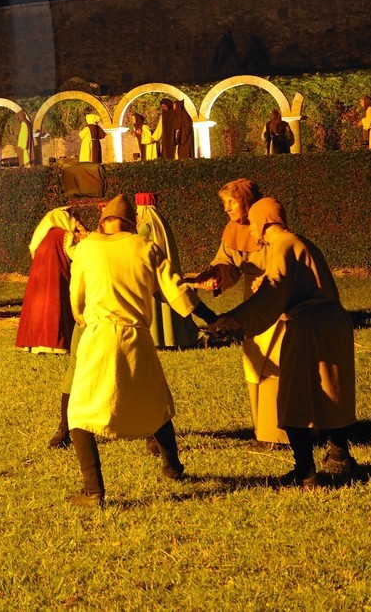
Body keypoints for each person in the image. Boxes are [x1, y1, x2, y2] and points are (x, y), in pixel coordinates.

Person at [64, 195, 218, 506]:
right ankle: (173, 468)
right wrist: (213, 319)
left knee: (80, 412)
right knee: (155, 404)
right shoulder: (145, 247)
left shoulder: (86, 248)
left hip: (98, 337)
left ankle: (93, 491)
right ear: (132, 223)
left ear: (103, 222)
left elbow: (76, 299)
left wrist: (82, 314)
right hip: (137, 337)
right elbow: (176, 292)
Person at [206, 199, 357, 487]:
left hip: (309, 326)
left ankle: (305, 473)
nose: (250, 232)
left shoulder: (282, 245)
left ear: (263, 221)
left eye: (252, 224)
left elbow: (272, 294)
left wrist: (232, 321)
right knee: (328, 391)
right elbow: (287, 284)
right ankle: (340, 457)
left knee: (294, 399)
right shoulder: (301, 242)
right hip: (333, 323)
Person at [191, 179, 288, 447]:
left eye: (231, 202)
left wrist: (269, 278)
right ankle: (263, 430)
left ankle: (280, 433)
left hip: (276, 296)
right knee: (254, 362)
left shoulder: (270, 225)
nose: (227, 209)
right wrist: (215, 276)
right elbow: (228, 262)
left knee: (274, 361)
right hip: (251, 296)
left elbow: (283, 260)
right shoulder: (234, 229)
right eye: (224, 204)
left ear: (246, 200)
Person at [17, 208, 83, 355]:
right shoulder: (65, 235)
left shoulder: (43, 237)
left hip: (39, 278)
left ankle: (33, 344)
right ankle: (53, 344)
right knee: (54, 307)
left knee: (37, 309)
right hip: (56, 277)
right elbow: (75, 255)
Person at [137, 193, 199, 350]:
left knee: (157, 306)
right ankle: (175, 337)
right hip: (166, 272)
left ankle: (159, 339)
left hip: (153, 273)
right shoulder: (160, 222)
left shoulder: (146, 226)